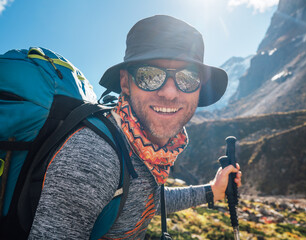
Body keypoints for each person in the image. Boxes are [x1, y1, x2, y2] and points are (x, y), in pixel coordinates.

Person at [28, 15, 242, 239]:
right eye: (149, 75)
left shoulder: (149, 151)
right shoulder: (93, 158)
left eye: (188, 77)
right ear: (125, 83)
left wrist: (213, 190)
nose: (169, 93)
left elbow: (146, 198)